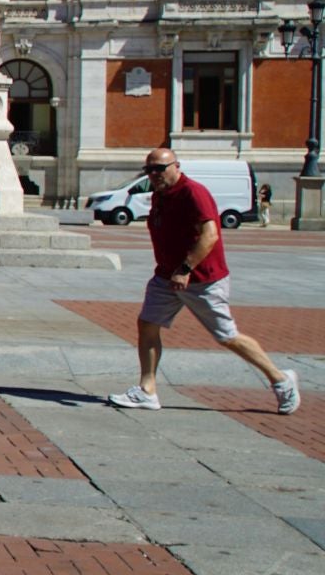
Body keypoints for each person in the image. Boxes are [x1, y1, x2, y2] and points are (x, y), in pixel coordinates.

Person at [109, 147, 298, 414]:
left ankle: (281, 380)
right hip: (166, 276)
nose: (154, 175)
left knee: (227, 336)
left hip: (201, 279)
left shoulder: (193, 193)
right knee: (148, 324)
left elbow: (210, 235)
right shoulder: (161, 195)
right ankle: (147, 390)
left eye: (159, 169)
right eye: (149, 170)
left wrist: (185, 269)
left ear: (176, 166)